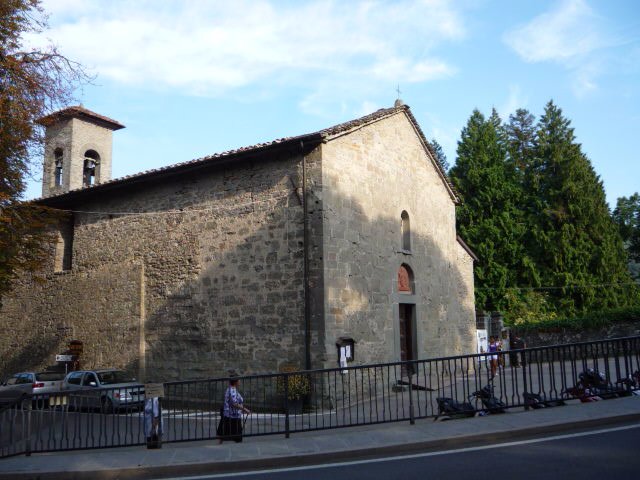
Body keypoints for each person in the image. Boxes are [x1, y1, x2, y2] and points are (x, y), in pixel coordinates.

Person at [217, 376, 250, 443]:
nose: (239, 381)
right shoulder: (232, 391)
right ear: (236, 382)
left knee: (225, 433)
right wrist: (245, 409)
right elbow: (234, 404)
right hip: (233, 415)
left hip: (230, 414)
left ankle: (220, 442)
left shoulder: (230, 389)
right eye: (239, 380)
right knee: (237, 436)